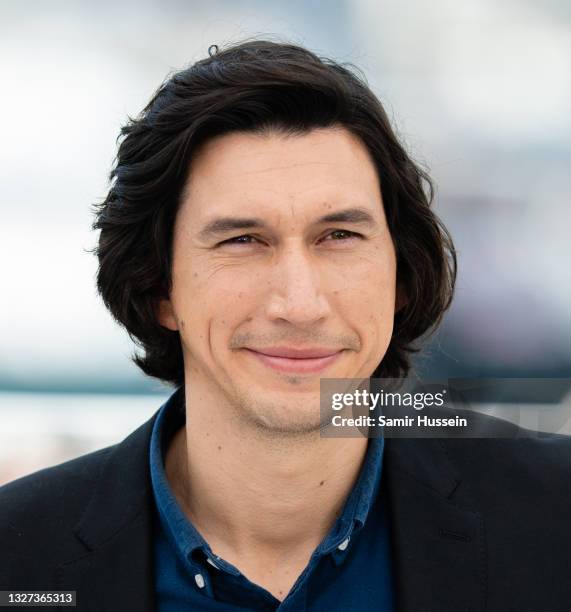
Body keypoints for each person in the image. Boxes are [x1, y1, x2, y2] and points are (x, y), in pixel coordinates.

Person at [1, 39, 570, 612]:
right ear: (158, 287)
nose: (300, 304)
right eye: (243, 240)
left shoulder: (557, 517)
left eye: (340, 237)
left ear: (400, 275)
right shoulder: (18, 559)